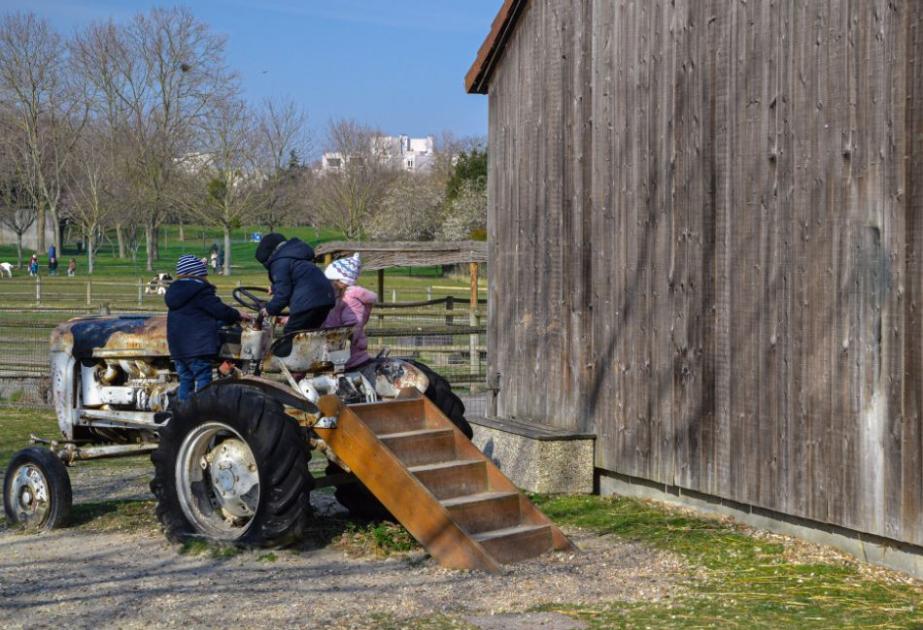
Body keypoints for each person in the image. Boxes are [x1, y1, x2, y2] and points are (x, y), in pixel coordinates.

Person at [165, 254, 249, 401]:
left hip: (178, 347)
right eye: (204, 274)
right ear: (198, 274)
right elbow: (219, 310)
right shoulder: (200, 291)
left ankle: (184, 412)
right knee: (204, 380)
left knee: (186, 380)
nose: (206, 277)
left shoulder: (174, 293)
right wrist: (237, 314)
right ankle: (204, 410)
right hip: (198, 346)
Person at [254, 232, 335, 356]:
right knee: (307, 336)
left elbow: (283, 295)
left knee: (289, 337)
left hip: (307, 302)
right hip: (325, 299)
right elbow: (297, 280)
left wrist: (269, 309)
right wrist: (275, 287)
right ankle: (305, 366)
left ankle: (286, 365)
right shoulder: (296, 256)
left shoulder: (280, 262)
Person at [323, 253, 378, 369]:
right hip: (337, 350)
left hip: (349, 356)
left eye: (333, 280)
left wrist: (340, 342)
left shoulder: (350, 299)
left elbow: (354, 326)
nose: (330, 283)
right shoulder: (337, 296)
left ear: (341, 281)